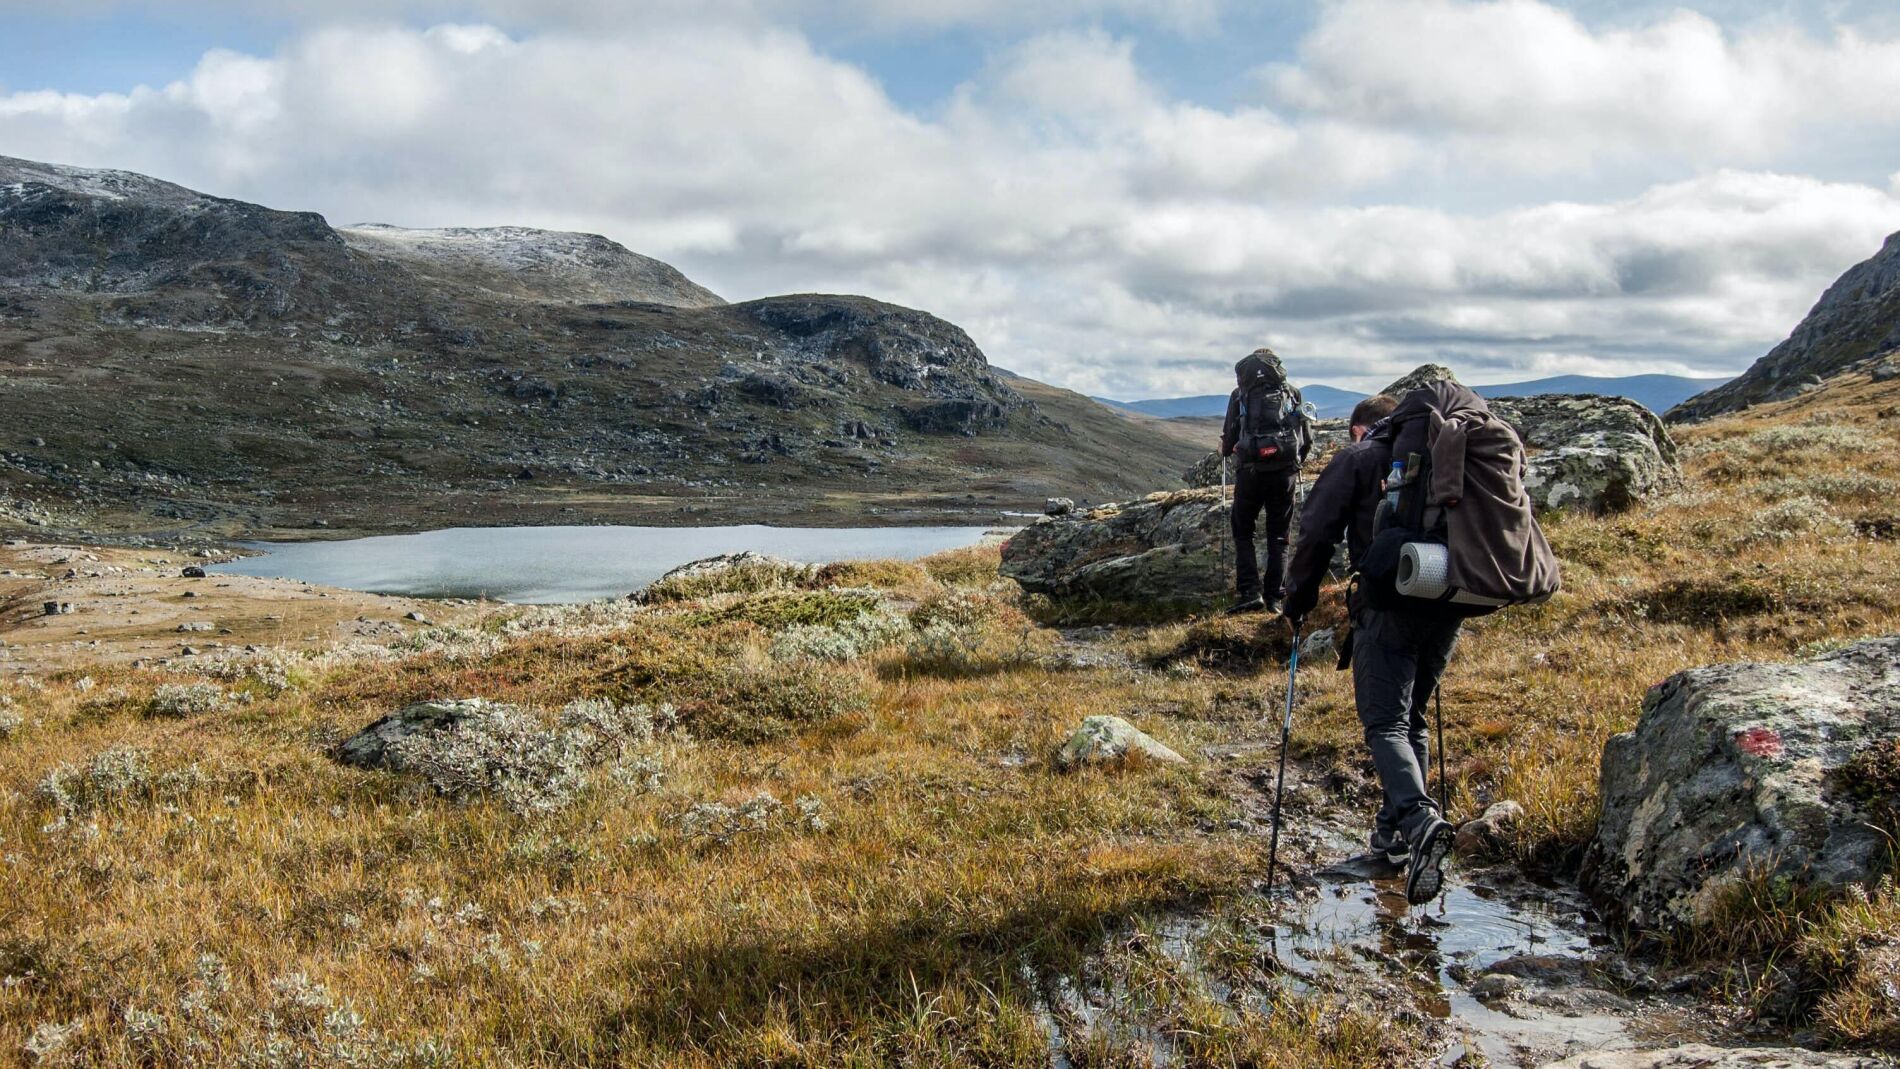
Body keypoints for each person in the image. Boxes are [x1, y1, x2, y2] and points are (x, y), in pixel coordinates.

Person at [1280, 390, 1458, 905]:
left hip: (1389, 603)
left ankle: (1420, 824)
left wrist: (1297, 601)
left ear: (1364, 429)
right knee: (1412, 718)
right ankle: (1395, 842)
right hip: (1448, 597)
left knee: (1386, 723)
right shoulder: (1447, 454)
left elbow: (1315, 533)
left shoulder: (1360, 457)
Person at [1218, 348, 1312, 614]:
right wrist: (1295, 465)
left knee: (1243, 529)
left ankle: (1249, 592)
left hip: (1250, 473)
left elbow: (1229, 438)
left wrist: (1225, 450)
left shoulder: (1240, 395)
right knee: (1279, 535)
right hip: (1284, 474)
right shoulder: (1292, 393)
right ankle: (1274, 598)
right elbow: (1306, 438)